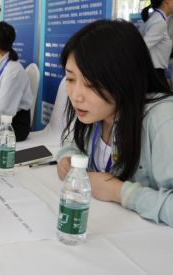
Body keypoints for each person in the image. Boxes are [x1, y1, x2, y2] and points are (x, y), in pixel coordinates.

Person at [56, 19, 173, 227]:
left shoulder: (163, 120)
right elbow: (73, 145)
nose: (76, 96)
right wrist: (68, 159)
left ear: (123, 78)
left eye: (91, 84)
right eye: (71, 79)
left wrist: (120, 192)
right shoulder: (97, 113)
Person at [139, 0, 173, 88]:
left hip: (153, 73)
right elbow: (141, 47)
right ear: (166, 1)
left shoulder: (155, 18)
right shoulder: (159, 22)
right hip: (154, 75)